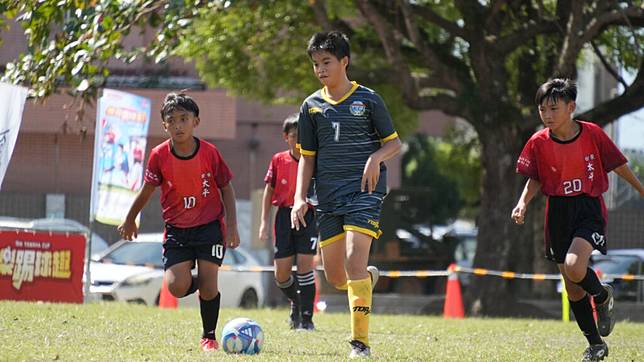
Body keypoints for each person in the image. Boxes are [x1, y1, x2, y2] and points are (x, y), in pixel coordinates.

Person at [512, 78, 644, 362]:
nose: (547, 115)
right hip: (557, 211)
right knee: (571, 286)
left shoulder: (592, 134)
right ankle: (596, 345)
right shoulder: (538, 142)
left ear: (571, 107)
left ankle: (601, 296)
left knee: (574, 266)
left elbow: (619, 166)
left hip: (588, 207)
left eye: (553, 109)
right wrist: (522, 204)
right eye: (542, 109)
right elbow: (534, 178)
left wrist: (641, 189)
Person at [291, 31, 402, 358]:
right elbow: (307, 158)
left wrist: (375, 158)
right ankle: (365, 279)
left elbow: (394, 143)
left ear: (344, 62)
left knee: (354, 261)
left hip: (364, 194)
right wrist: (300, 198)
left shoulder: (368, 99)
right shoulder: (310, 107)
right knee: (338, 276)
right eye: (315, 64)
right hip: (326, 199)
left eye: (327, 62)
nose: (321, 69)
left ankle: (360, 344)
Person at [118, 92, 240, 353]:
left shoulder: (210, 152)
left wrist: (232, 226)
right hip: (177, 230)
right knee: (176, 287)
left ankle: (209, 336)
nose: (178, 125)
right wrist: (130, 219)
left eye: (184, 119)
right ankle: (204, 285)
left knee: (208, 286)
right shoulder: (159, 156)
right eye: (171, 120)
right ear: (164, 126)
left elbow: (226, 188)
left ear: (196, 121)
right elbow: (147, 190)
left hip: (210, 227)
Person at [259, 114, 318, 330]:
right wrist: (264, 222)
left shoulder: (313, 159)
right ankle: (296, 302)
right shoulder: (278, 160)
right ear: (286, 137)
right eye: (294, 136)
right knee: (281, 274)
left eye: (302, 135)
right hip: (284, 216)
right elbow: (269, 191)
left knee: (304, 267)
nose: (298, 140)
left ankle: (307, 318)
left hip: (307, 216)